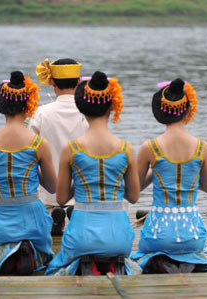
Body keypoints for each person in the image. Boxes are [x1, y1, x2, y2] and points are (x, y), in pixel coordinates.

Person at [45, 71, 141, 276]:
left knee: (53, 267)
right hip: (119, 239)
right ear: (112, 106)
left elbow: (61, 198)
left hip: (81, 238)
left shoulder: (71, 149)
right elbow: (133, 197)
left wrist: (83, 184)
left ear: (82, 107)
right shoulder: (126, 149)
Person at [0, 71, 57, 275]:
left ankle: (5, 252)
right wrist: (32, 170)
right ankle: (27, 250)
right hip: (33, 223)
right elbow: (52, 186)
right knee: (44, 248)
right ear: (28, 104)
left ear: (1, 105)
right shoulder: (38, 143)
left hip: (0, 225)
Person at [130, 78, 207, 273]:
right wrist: (188, 179)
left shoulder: (149, 147)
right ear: (187, 110)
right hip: (192, 235)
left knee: (141, 254)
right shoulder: (201, 147)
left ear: (159, 112)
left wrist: (156, 173)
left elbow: (134, 191)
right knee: (203, 249)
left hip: (158, 235)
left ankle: (161, 261)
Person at [30, 58, 88, 235]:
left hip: (49, 192)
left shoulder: (41, 113)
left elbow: (28, 150)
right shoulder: (87, 113)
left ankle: (54, 214)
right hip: (81, 192)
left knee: (47, 205)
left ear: (52, 82)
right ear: (78, 82)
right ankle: (73, 211)